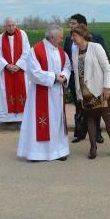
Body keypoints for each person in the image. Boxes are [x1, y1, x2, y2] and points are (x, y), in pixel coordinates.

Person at [17, 26, 71, 161]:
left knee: (56, 122)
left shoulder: (61, 52)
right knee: (40, 123)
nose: (62, 39)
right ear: (52, 37)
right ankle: (37, 153)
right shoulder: (36, 50)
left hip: (57, 94)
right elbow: (33, 72)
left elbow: (67, 66)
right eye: (61, 37)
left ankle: (58, 152)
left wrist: (64, 75)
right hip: (40, 95)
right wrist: (54, 77)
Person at [71, 24, 110, 159]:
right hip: (84, 91)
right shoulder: (75, 51)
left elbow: (106, 68)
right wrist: (79, 93)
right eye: (72, 36)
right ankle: (93, 147)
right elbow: (76, 74)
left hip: (100, 89)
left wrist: (107, 87)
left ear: (82, 35)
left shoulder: (96, 47)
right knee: (90, 118)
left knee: (107, 117)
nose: (72, 38)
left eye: (74, 36)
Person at [64, 14, 108, 143]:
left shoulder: (96, 38)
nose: (70, 26)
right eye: (70, 23)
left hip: (93, 79)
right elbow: (66, 58)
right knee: (80, 105)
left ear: (81, 25)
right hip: (74, 78)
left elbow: (105, 60)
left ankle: (97, 133)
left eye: (73, 23)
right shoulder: (68, 39)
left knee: (96, 107)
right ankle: (80, 132)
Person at [0, 17, 30, 122]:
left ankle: (22, 117)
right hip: (7, 72)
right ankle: (7, 118)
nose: (11, 27)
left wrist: (18, 65)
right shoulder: (0, 38)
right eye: (9, 25)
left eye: (13, 25)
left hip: (21, 72)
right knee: (6, 93)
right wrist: (7, 65)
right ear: (5, 26)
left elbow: (26, 52)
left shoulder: (23, 35)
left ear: (16, 25)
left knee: (22, 92)